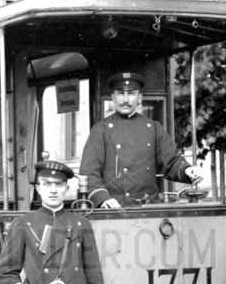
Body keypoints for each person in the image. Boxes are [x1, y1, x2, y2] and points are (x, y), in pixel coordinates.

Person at [79, 71, 203, 208]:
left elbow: (171, 161)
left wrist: (186, 170)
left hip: (149, 210)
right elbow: (89, 173)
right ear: (113, 98)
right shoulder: (101, 129)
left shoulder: (153, 127)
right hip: (114, 211)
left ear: (139, 98)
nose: (125, 99)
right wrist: (103, 199)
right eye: (120, 93)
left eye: (131, 93)